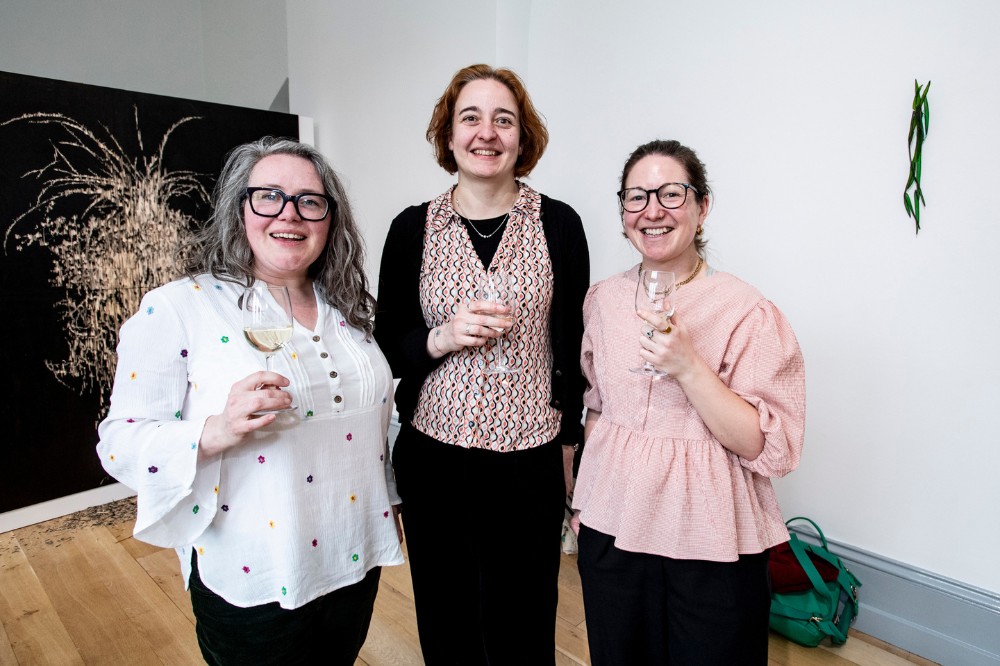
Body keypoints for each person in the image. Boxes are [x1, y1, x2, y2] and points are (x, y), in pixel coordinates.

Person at [96, 137, 403, 665]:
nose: (290, 214)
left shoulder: (348, 310)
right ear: (240, 209)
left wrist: (392, 502)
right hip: (253, 575)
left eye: (310, 201)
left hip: (354, 556)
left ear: (331, 220)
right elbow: (118, 444)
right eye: (269, 196)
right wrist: (215, 429)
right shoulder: (178, 307)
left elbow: (382, 420)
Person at [375, 63, 589, 665]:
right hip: (434, 454)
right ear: (449, 135)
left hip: (530, 456)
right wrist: (440, 337)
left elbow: (572, 344)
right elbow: (388, 340)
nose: (486, 132)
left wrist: (572, 443)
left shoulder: (560, 224)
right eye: (471, 118)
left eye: (504, 120)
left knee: (524, 622)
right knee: (446, 619)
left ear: (523, 138)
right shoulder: (411, 228)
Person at [571, 139, 806, 665]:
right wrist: (586, 498)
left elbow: (767, 446)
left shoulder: (747, 311)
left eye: (671, 194)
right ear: (623, 212)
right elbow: (599, 407)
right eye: (636, 197)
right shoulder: (603, 300)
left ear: (702, 207)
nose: (653, 210)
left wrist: (688, 366)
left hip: (711, 532)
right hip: (614, 523)